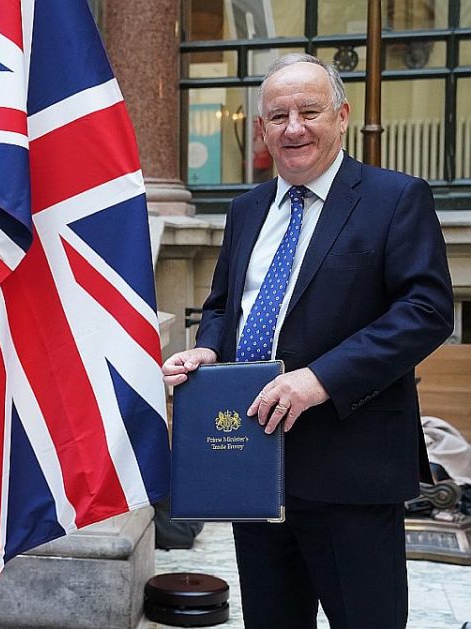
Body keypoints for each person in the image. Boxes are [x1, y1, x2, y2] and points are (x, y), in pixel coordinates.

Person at [162, 53, 453, 628]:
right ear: (262, 128)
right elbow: (225, 305)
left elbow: (426, 311)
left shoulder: (395, 198)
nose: (293, 127)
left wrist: (320, 379)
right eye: (278, 116)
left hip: (352, 468)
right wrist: (210, 349)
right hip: (252, 469)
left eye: (309, 111)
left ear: (342, 116)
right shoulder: (246, 210)